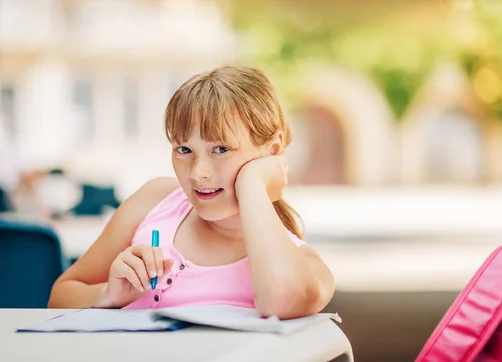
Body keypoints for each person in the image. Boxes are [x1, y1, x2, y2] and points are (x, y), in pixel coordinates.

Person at [48, 65, 335, 319]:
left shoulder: (299, 264)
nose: (198, 172)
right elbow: (60, 296)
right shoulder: (155, 201)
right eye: (184, 150)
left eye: (221, 149)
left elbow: (282, 299)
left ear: (272, 151)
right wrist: (106, 296)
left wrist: (253, 182)